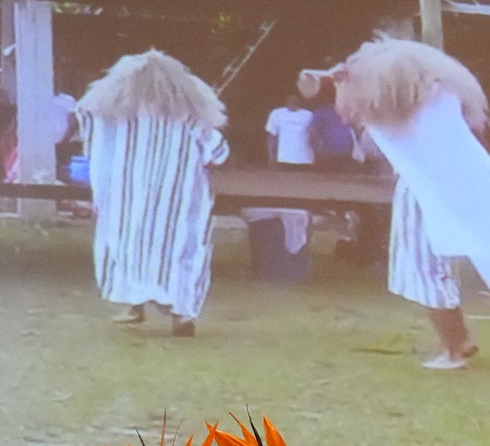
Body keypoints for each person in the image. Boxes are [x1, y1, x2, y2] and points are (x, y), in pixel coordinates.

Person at [304, 39, 490, 369]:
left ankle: (456, 345)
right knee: (428, 268)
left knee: (424, 268)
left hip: (426, 190)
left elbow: (355, 111)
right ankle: (456, 342)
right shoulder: (443, 99)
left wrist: (346, 80)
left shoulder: (408, 108)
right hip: (443, 186)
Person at [76, 49, 230, 336]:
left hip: (126, 197)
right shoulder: (190, 116)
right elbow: (217, 151)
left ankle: (135, 305)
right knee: (181, 250)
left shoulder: (112, 115)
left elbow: (88, 126)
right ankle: (182, 314)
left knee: (128, 246)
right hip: (178, 199)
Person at [264, 93, 317, 166]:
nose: (293, 102)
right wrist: (271, 156)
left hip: (306, 160)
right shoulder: (277, 113)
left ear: (300, 101)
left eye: (295, 100)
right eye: (290, 100)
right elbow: (271, 136)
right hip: (283, 160)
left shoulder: (309, 114)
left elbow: (314, 136)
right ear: (286, 101)